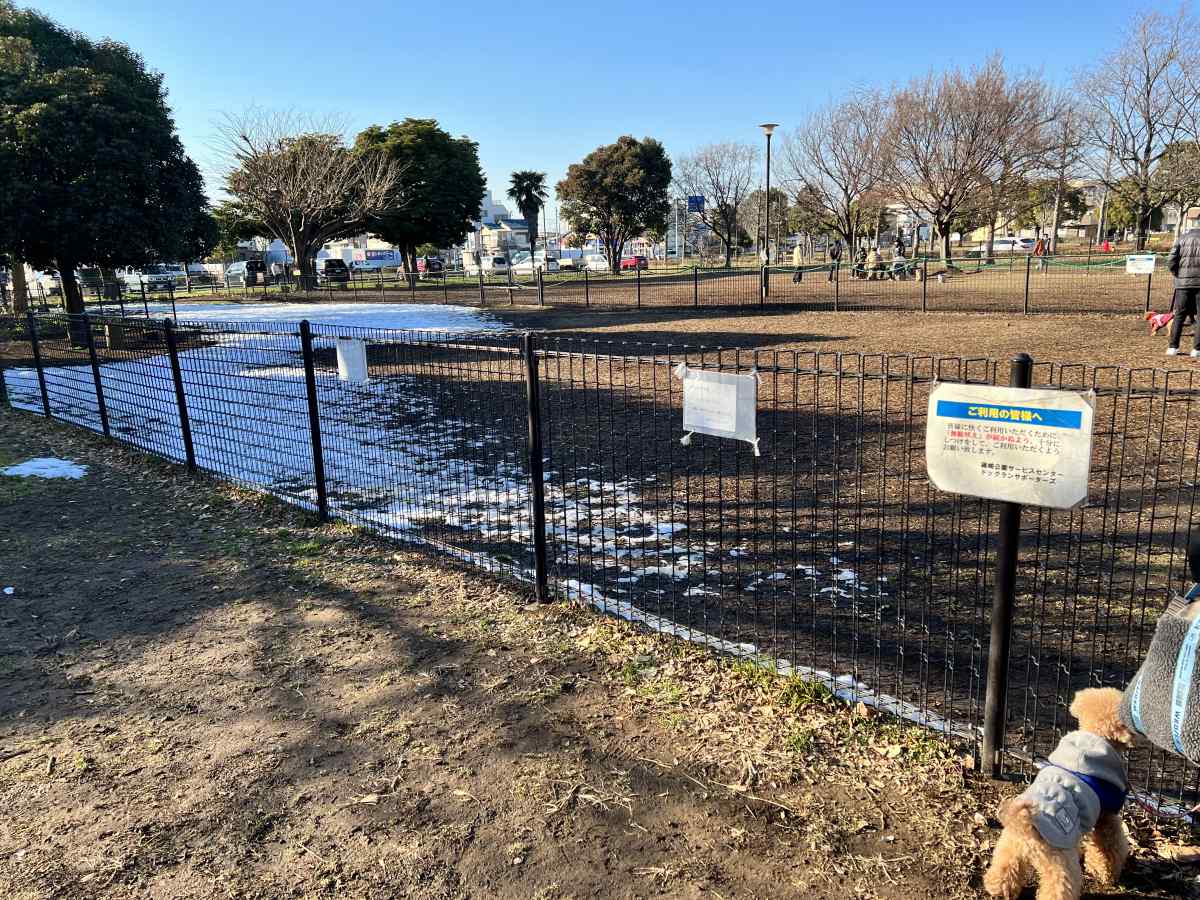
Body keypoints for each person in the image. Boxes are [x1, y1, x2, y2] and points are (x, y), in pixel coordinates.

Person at [1166, 227, 1200, 356]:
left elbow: (1171, 260)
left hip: (1183, 284)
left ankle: (1173, 347)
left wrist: (1177, 274)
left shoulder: (1181, 239)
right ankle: (1197, 349)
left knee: (1179, 315)